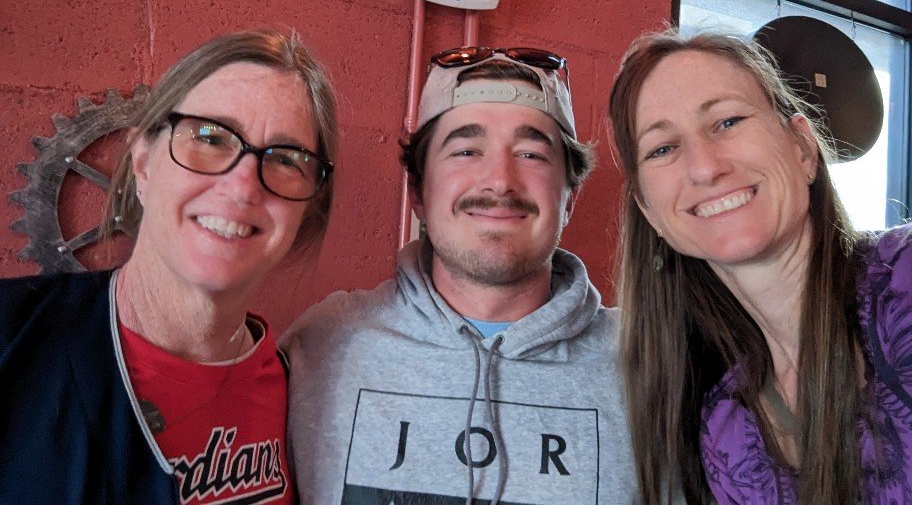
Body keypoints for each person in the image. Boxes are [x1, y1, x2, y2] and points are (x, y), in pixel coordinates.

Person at [282, 46, 639, 503]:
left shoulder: (649, 367)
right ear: (418, 192)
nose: (500, 181)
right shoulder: (322, 346)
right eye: (466, 150)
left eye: (531, 154)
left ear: (569, 198)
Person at [0, 29, 337, 504]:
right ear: (143, 162)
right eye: (210, 137)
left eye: (285, 159)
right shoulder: (12, 339)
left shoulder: (306, 393)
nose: (242, 187)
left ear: (307, 206)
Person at [607, 28, 912, 503]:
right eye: (663, 148)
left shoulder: (903, 278)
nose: (705, 167)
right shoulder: (725, 427)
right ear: (650, 213)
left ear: (803, 149)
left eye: (728, 121)